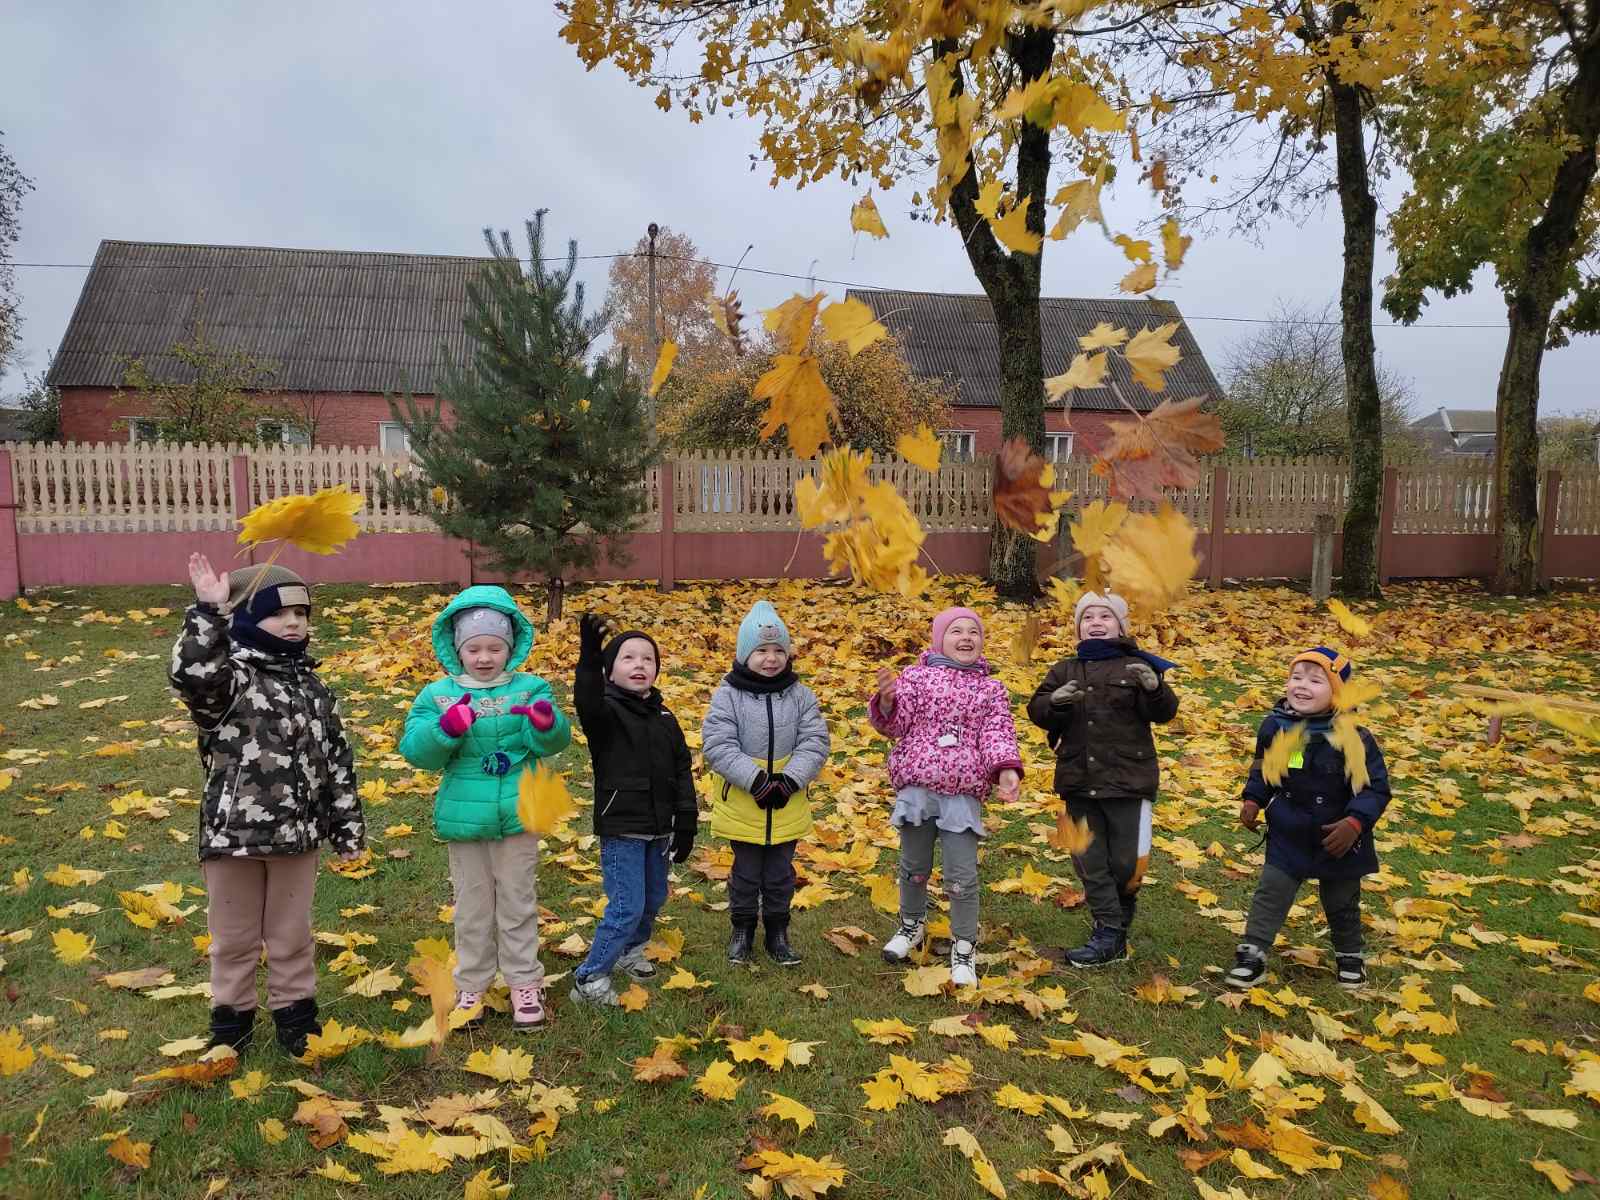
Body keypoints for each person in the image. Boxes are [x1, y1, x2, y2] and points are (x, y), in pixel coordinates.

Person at [170, 554, 365, 1056]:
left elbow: (336, 760)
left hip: (297, 838)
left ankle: (295, 1016)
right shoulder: (229, 684)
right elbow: (192, 673)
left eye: (302, 614)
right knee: (233, 940)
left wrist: (345, 826)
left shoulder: (315, 687)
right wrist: (208, 612)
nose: (295, 623)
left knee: (291, 935)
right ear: (249, 619)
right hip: (233, 840)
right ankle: (230, 1023)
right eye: (281, 613)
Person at [399, 585, 572, 1030]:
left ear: (510, 647)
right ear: (457, 648)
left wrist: (546, 723)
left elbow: (554, 741)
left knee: (518, 902)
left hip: (519, 812)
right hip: (466, 818)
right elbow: (418, 751)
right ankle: (472, 984)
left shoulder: (531, 688)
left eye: (495, 647)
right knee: (473, 907)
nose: (484, 656)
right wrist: (445, 729)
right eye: (473, 647)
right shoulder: (438, 695)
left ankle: (523, 983)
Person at [868, 606, 1023, 988]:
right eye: (957, 631)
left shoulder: (991, 689)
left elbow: (997, 732)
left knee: (961, 875)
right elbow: (897, 724)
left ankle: (964, 945)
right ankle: (911, 925)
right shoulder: (917, 678)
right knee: (913, 865)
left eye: (974, 631)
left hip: (962, 796)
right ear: (940, 639)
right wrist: (887, 702)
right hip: (918, 791)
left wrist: (1005, 769)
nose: (966, 637)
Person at [1027, 591, 1178, 968]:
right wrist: (1055, 702)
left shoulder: (1137, 666)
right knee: (1086, 857)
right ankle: (1109, 932)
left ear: (1122, 626)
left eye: (1105, 617)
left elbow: (1164, 713)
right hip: (1077, 779)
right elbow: (1038, 710)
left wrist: (1155, 688)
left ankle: (1120, 909)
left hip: (1129, 779)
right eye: (1088, 617)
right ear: (1078, 627)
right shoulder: (1064, 669)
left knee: (1128, 864)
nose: (1096, 622)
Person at [1225, 647, 1390, 991]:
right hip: (1290, 830)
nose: (1301, 686)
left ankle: (1349, 955)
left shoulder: (1353, 738)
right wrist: (1254, 799)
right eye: (1296, 677)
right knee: (1271, 890)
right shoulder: (1278, 727)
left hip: (1340, 837)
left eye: (1316, 681)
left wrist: (1355, 823)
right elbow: (1266, 769)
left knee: (1341, 900)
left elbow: (1374, 789)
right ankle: (1252, 952)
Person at [568, 614, 698, 1006]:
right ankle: (589, 978)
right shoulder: (605, 713)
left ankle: (630, 950)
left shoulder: (665, 716)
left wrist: (686, 820)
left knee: (655, 897)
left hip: (659, 828)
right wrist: (590, 659)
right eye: (627, 658)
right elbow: (586, 701)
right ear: (610, 670)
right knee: (627, 906)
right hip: (623, 827)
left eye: (647, 658)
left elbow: (681, 769)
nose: (639, 664)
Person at [702, 601, 831, 967]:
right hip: (745, 800)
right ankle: (741, 928)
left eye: (778, 650)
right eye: (761, 651)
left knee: (779, 874)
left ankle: (777, 930)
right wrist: (756, 779)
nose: (771, 658)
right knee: (746, 873)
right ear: (745, 655)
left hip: (786, 801)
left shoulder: (801, 695)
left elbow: (815, 741)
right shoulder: (729, 695)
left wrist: (789, 779)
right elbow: (718, 744)